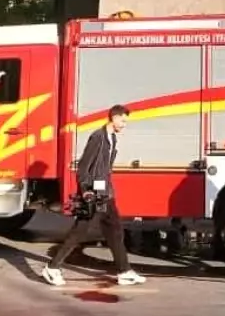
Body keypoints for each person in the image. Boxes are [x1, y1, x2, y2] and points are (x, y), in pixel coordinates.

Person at [42, 105, 147, 288]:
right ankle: (52, 267)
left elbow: (104, 169)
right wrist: (86, 191)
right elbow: (83, 167)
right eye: (123, 121)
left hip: (106, 194)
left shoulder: (112, 138)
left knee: (116, 232)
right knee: (79, 232)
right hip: (95, 196)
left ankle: (124, 271)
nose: (124, 125)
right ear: (113, 118)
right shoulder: (97, 138)